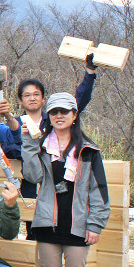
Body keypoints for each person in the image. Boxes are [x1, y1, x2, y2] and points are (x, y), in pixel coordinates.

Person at [21, 92, 109, 267]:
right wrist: (27, 140)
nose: (59, 116)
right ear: (48, 116)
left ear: (74, 116)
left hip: (77, 225)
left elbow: (100, 190)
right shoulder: (42, 146)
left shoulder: (88, 151)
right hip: (48, 223)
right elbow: (33, 175)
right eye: (54, 112)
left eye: (64, 112)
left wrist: (96, 224)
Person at [16, 62, 97, 197]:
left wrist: (89, 73)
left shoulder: (53, 121)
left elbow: (78, 102)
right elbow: (7, 149)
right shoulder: (15, 125)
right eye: (27, 95)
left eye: (36, 94)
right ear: (20, 100)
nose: (32, 98)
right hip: (29, 187)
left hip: (58, 188)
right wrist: (31, 149)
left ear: (43, 99)